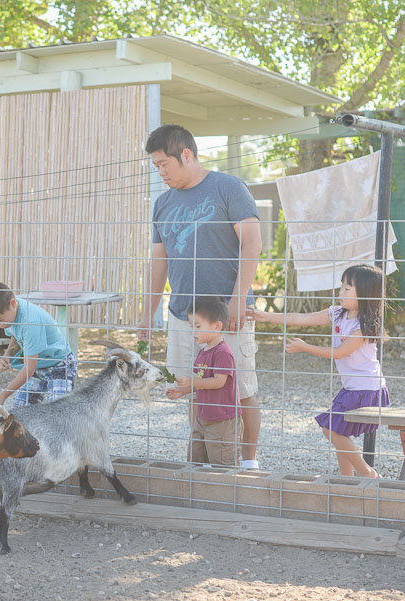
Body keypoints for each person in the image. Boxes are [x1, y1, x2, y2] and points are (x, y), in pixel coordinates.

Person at [138, 124, 262, 469]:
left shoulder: (228, 188)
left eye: (165, 164)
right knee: (191, 386)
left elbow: (253, 242)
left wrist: (239, 298)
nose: (160, 172)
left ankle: (249, 463)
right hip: (183, 316)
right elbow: (159, 261)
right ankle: (205, 462)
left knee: (241, 389)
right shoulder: (162, 204)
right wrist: (147, 313)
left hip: (227, 314)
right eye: (156, 167)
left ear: (187, 155)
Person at [248, 264, 389, 478]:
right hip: (352, 388)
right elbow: (303, 319)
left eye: (347, 288)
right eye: (341, 287)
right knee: (338, 431)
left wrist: (305, 347)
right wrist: (265, 316)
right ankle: (346, 478)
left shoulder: (364, 327)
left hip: (366, 390)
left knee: (331, 430)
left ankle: (367, 473)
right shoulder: (338, 313)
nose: (340, 292)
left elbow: (340, 353)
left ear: (366, 294)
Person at [166, 297, 243, 466]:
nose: (193, 331)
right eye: (192, 326)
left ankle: (223, 491)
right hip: (203, 416)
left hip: (222, 420)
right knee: (195, 458)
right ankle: (199, 490)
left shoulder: (223, 352)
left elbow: (218, 382)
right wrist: (183, 391)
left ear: (217, 326)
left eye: (198, 326)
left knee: (222, 462)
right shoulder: (203, 351)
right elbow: (201, 382)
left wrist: (192, 382)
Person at [0, 280, 77, 408]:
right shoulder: (9, 312)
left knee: (57, 412)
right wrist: (7, 353)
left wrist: (4, 394)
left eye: (0, 320)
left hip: (60, 364)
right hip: (38, 364)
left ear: (13, 303)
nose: (0, 325)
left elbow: (29, 368)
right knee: (20, 412)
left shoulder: (31, 322)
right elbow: (15, 333)